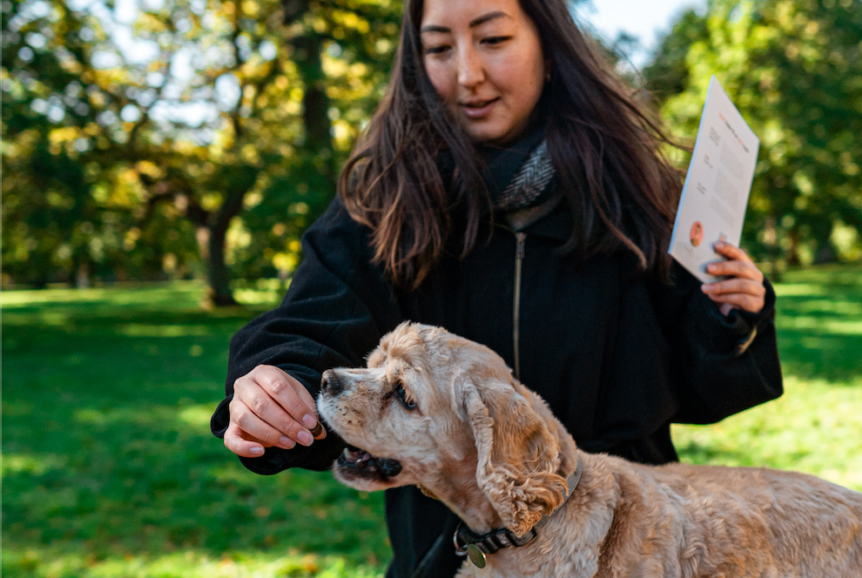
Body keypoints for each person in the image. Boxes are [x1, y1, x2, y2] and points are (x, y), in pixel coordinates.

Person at [210, 0, 783, 576]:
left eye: (492, 39)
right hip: (448, 554)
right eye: (438, 48)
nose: (466, 74)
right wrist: (279, 382)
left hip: (624, 550)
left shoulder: (635, 193)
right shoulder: (384, 199)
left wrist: (732, 316)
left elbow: (699, 381)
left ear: (549, 47)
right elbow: (312, 323)